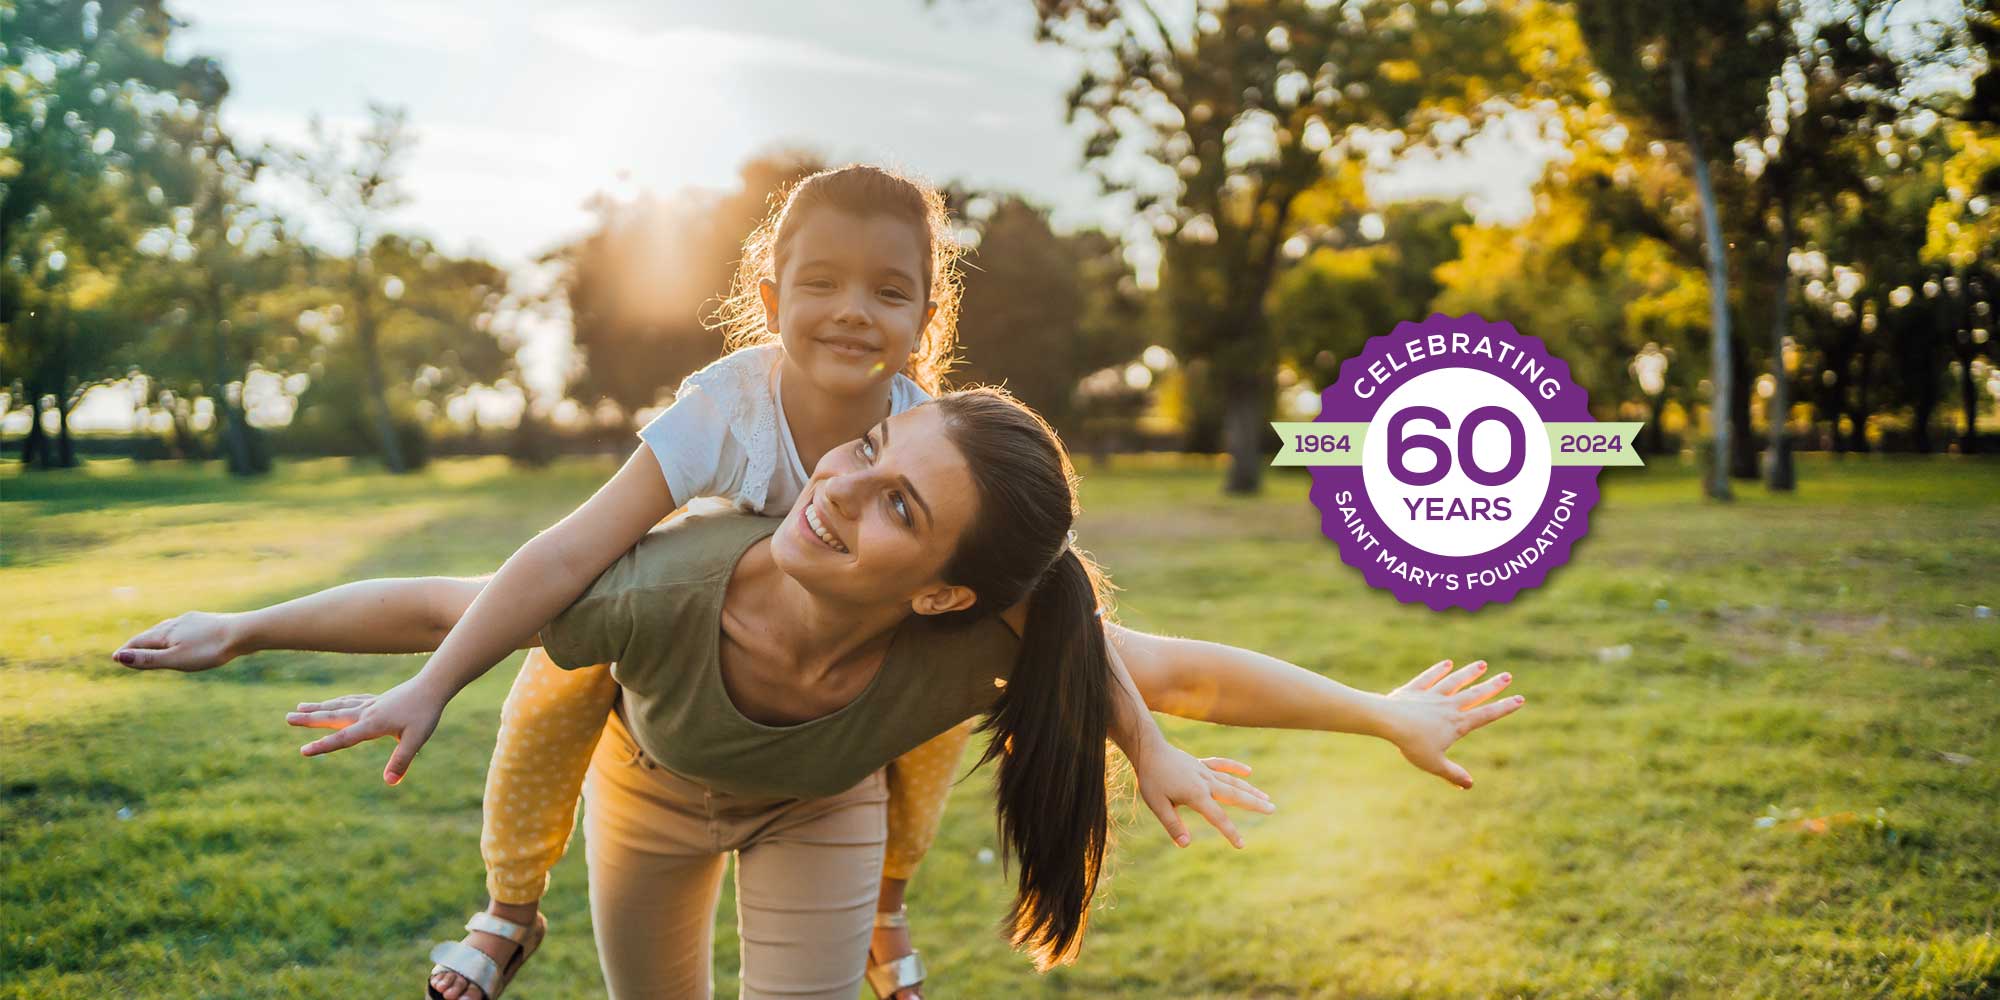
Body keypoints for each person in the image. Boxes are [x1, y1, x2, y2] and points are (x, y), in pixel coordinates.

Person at [115, 164, 1524, 998]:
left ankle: (891, 904)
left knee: (923, 741)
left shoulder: (952, 505)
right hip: (654, 766)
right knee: (559, 667)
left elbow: (1123, 650)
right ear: (770, 289)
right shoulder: (713, 443)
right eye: (820, 285)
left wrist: (1367, 716)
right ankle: (509, 901)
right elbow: (513, 577)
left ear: (926, 319)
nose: (852, 465)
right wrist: (270, 635)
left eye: (892, 295)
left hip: (826, 788)